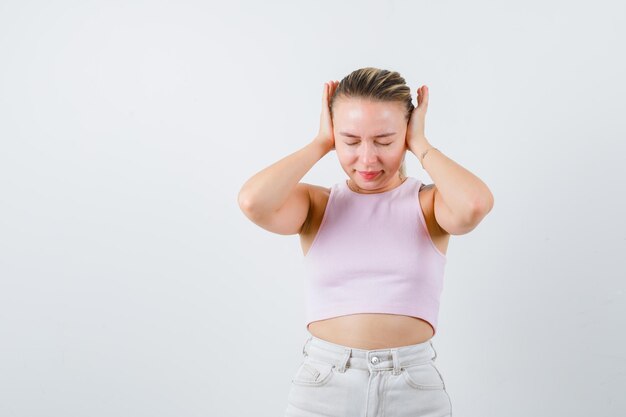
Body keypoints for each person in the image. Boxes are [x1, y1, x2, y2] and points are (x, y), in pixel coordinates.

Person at [237, 67, 494, 417]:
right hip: (324, 385)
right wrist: (319, 143)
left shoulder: (429, 204)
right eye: (351, 141)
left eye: (385, 141)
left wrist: (422, 145)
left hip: (413, 388)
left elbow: (474, 204)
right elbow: (254, 202)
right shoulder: (317, 205)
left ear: (406, 133)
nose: (368, 159)